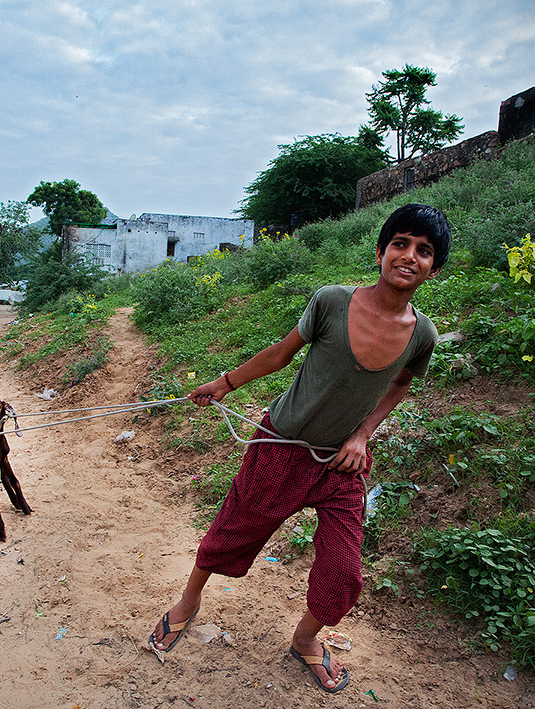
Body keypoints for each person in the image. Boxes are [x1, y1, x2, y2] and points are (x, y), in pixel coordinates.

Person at [148, 203, 452, 694]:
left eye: (424, 251)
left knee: (344, 568)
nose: (409, 256)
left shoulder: (423, 335)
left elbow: (400, 385)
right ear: (380, 251)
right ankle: (187, 603)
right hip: (282, 445)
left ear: (433, 269)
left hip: (341, 464)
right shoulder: (332, 302)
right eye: (400, 243)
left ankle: (307, 640)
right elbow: (281, 353)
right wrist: (225, 383)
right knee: (234, 531)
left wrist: (361, 435)